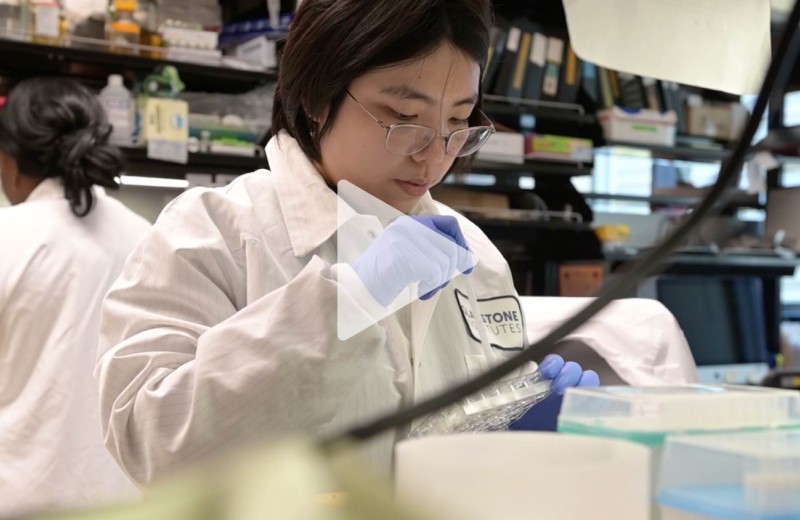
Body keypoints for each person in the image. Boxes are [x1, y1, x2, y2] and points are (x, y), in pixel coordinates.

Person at [96, 0, 599, 485]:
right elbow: (150, 443)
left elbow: (464, 434)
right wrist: (347, 303)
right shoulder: (213, 234)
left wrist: (521, 424)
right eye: (404, 117)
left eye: (457, 121)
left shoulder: (475, 253)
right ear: (318, 96)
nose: (434, 158)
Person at [0, 77, 149, 515]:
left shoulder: (8, 237)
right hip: (126, 500)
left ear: (10, 161)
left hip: (18, 497)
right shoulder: (149, 238)